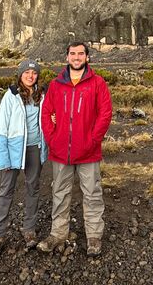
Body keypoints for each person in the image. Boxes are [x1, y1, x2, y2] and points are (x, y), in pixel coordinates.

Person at [37, 42, 112, 256]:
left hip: (88, 152)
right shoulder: (56, 85)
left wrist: (92, 140)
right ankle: (58, 234)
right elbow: (46, 113)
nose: (76, 57)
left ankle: (94, 237)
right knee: (59, 192)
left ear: (87, 57)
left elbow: (105, 113)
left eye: (81, 54)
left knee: (92, 193)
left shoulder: (97, 83)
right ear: (67, 57)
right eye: (72, 54)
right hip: (61, 152)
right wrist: (53, 139)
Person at [0, 59, 48, 253]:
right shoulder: (11, 96)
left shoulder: (42, 95)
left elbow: (49, 117)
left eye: (34, 73)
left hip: (34, 148)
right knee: (6, 190)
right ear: (20, 75)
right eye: (26, 73)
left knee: (33, 188)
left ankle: (29, 230)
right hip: (14, 148)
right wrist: (2, 157)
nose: (31, 76)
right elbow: (1, 127)